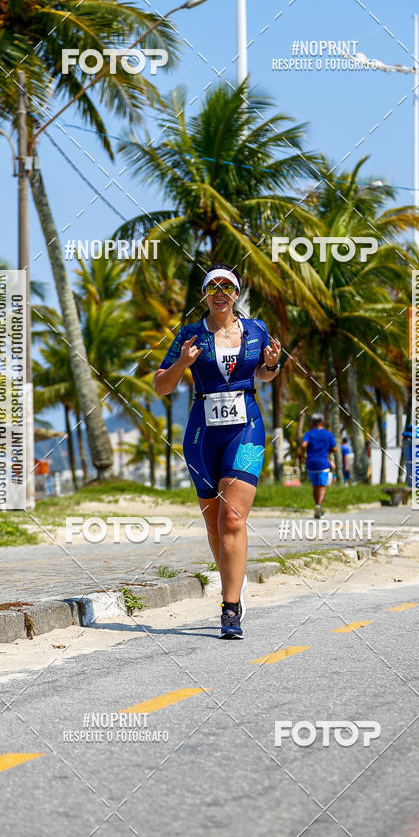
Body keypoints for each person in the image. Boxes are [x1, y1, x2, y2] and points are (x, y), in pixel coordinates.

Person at [155, 263, 281, 639]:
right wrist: (182, 363)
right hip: (201, 434)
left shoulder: (256, 329)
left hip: (246, 428)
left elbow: (265, 373)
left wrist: (272, 365)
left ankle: (230, 608)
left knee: (232, 518)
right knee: (213, 522)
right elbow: (162, 386)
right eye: (213, 287)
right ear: (206, 295)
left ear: (236, 294)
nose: (220, 292)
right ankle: (233, 582)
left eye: (227, 286)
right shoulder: (191, 334)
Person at [301, 415, 337, 518]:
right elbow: (335, 449)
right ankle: (319, 505)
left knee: (315, 486)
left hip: (311, 463)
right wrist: (327, 452)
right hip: (323, 463)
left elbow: (303, 445)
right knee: (322, 486)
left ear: (313, 423)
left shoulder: (309, 434)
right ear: (323, 422)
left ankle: (317, 506)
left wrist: (303, 456)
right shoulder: (328, 434)